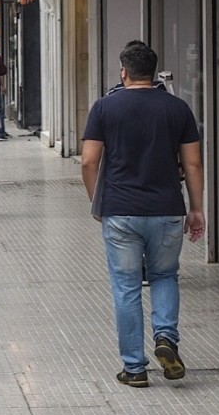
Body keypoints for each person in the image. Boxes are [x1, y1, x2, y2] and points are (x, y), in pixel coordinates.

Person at [80, 42, 204, 388]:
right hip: (166, 209)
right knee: (165, 276)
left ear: (124, 72)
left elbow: (88, 161)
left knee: (126, 287)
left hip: (120, 210)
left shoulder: (104, 107)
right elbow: (193, 163)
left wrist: (97, 203)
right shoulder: (177, 108)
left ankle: (134, 368)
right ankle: (165, 337)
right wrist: (196, 209)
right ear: (152, 72)